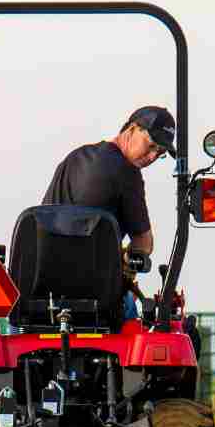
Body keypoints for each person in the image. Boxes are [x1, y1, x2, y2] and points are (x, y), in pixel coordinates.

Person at [42, 106, 176, 320]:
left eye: (159, 154)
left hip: (42, 291)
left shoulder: (74, 157)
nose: (152, 157)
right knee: (136, 314)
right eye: (150, 146)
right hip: (93, 298)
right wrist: (125, 258)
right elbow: (143, 244)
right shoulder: (128, 173)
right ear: (132, 129)